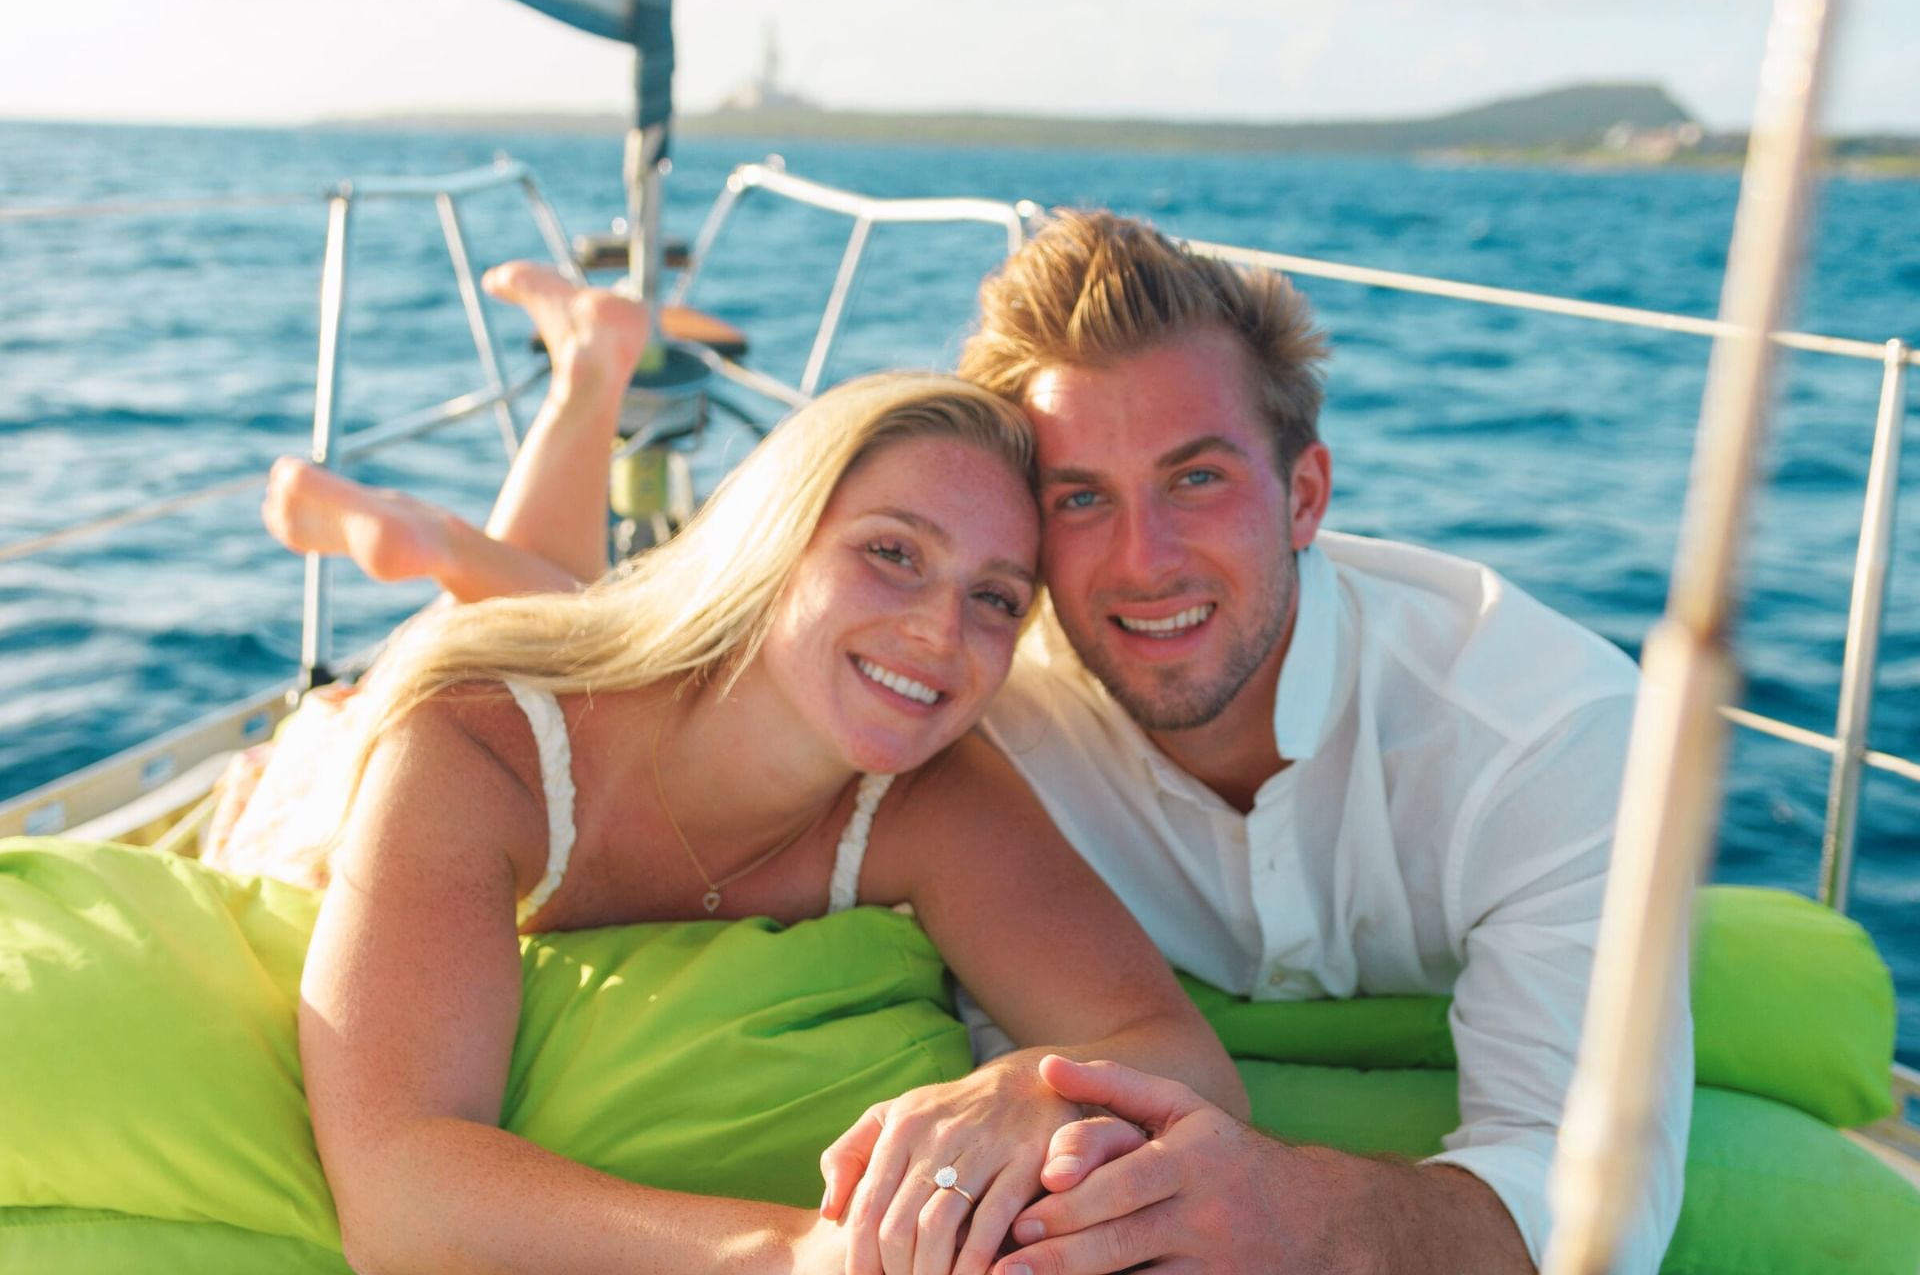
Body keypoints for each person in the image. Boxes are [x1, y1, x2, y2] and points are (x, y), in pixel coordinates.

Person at [230, 264, 1245, 1275]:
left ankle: (586, 369)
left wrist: (1034, 1088)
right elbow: (398, 1190)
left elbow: (1174, 1052)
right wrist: (799, 1252)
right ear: (778, 541)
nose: (941, 633)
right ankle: (457, 516)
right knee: (524, 635)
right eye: (892, 553)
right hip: (325, 775)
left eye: (995, 598)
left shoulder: (927, 792)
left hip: (633, 673)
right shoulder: (477, 744)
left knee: (568, 608)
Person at [925, 210, 1689, 1274]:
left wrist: (1304, 1217)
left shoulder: (1543, 732)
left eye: (1197, 478)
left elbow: (1591, 1204)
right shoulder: (987, 725)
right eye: (1082, 497)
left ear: (1305, 495)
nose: (1145, 560)